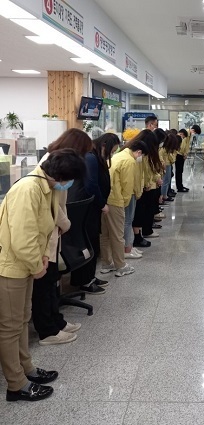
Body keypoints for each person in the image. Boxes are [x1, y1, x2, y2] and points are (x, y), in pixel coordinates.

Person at [0, 149, 86, 402]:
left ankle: (27, 369)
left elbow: (40, 229)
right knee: (10, 327)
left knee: (22, 320)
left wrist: (42, 257)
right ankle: (16, 385)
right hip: (12, 268)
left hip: (27, 264)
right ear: (61, 175)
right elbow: (22, 237)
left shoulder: (45, 188)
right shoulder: (29, 189)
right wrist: (36, 263)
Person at [32, 129, 93, 345]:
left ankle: (57, 321)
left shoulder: (60, 166)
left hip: (55, 230)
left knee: (52, 281)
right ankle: (48, 330)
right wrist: (65, 223)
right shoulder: (50, 166)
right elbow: (51, 204)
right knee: (44, 284)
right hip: (48, 231)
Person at [68, 133, 119, 293]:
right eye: (112, 151)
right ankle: (84, 281)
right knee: (88, 242)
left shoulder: (95, 156)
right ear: (104, 145)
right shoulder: (90, 157)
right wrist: (102, 203)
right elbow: (91, 184)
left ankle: (89, 277)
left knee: (92, 242)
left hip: (91, 205)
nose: (111, 154)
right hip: (86, 206)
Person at [99, 137, 148, 277]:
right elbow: (127, 186)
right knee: (117, 235)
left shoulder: (118, 155)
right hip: (116, 200)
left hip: (106, 199)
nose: (141, 158)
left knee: (105, 234)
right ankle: (121, 266)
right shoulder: (129, 161)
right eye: (142, 155)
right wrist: (125, 203)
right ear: (139, 152)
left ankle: (106, 264)